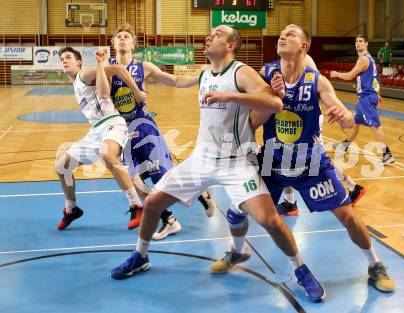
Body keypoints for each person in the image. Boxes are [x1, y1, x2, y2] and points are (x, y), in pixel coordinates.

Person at [110, 25, 326, 303]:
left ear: (230, 46)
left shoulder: (241, 72)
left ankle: (301, 269)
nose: (209, 36)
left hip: (237, 161)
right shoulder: (203, 73)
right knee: (152, 204)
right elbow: (175, 81)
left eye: (217, 34)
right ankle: (140, 256)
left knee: (270, 219)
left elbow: (274, 102)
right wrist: (136, 77)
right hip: (202, 158)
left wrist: (230, 96)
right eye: (209, 33)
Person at [252, 24, 395, 293]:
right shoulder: (266, 73)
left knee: (348, 216)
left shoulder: (317, 80)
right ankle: (235, 250)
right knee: (242, 211)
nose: (283, 36)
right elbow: (251, 118)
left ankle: (375, 263)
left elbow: (346, 119)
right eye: (281, 34)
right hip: (272, 161)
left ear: (304, 46)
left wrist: (345, 117)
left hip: (311, 162)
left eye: (291, 34)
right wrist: (271, 96)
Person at [109, 24, 216, 238]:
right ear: (113, 43)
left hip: (144, 128)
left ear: (133, 44)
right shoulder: (106, 67)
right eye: (118, 36)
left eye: (126, 36)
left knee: (162, 178)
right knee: (135, 182)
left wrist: (201, 77)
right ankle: (169, 220)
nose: (122, 39)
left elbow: (175, 80)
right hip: (122, 133)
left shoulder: (143, 67)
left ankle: (200, 191)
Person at [55, 47, 146, 230]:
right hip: (96, 130)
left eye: (68, 57)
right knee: (61, 166)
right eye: (62, 58)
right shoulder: (75, 84)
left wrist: (136, 92)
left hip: (113, 123)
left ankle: (136, 205)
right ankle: (71, 209)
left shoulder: (85, 74)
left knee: (106, 155)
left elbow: (119, 69)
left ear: (79, 62)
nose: (64, 60)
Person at [274, 54, 365, 216]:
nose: (284, 38)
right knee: (293, 157)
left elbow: (314, 88)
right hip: (293, 116)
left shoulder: (303, 60)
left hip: (305, 117)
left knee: (298, 158)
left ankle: (290, 201)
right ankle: (352, 186)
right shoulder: (285, 62)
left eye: (289, 34)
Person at [330, 35, 396, 165]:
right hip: (365, 97)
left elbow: (350, 76)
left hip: (366, 97)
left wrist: (336, 74)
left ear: (366, 44)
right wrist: (377, 93)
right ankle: (343, 148)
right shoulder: (369, 59)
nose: (358, 44)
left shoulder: (364, 60)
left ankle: (387, 155)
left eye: (361, 41)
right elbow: (376, 79)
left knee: (375, 126)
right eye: (356, 42)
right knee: (355, 125)